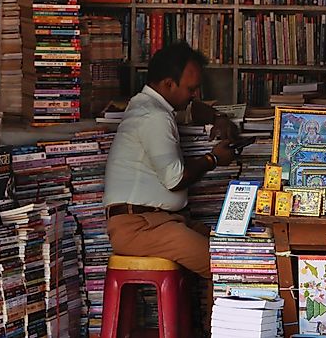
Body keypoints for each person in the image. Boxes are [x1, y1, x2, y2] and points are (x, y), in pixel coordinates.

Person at [104, 41, 243, 278]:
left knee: (234, 250)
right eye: (191, 89)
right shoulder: (154, 117)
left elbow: (194, 109)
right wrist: (213, 159)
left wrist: (218, 117)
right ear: (169, 84)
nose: (195, 95)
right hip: (141, 227)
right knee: (227, 266)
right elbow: (175, 179)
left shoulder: (149, 105)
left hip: (162, 222)